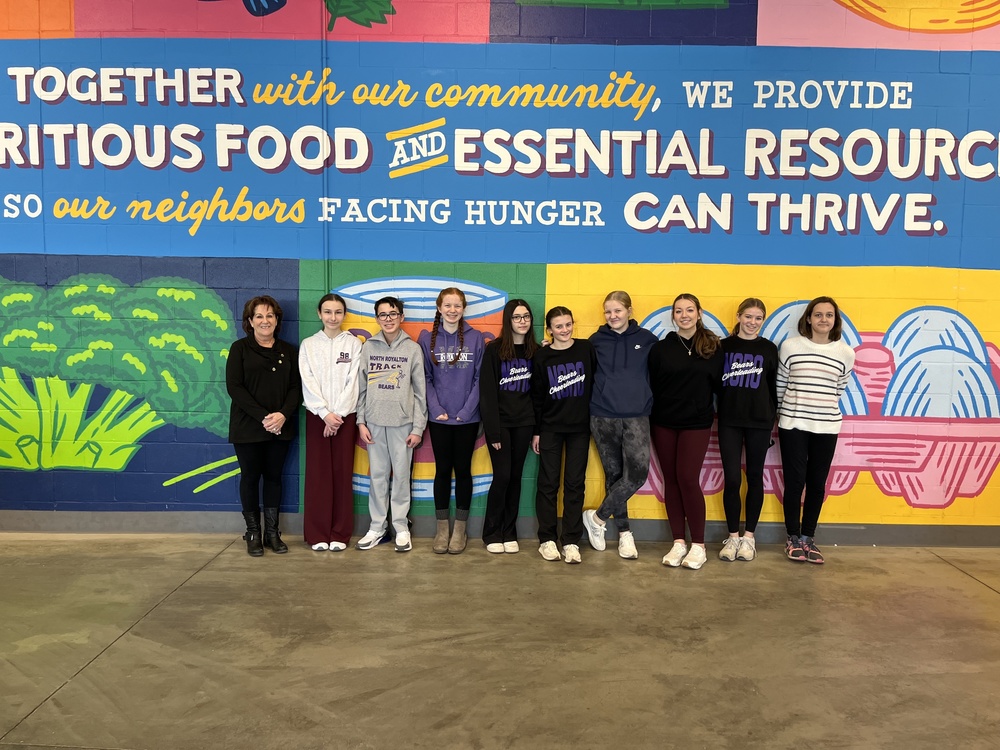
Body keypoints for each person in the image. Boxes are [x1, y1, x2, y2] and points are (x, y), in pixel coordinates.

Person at [777, 296, 856, 564]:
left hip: (827, 426)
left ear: (835, 320)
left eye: (829, 315)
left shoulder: (845, 353)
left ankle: (808, 538)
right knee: (795, 482)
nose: (824, 319)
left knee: (817, 484)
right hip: (793, 425)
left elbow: (839, 389)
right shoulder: (790, 347)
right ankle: (792, 538)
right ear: (808, 318)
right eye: (818, 314)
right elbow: (781, 385)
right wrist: (780, 415)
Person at [648, 293, 724, 571]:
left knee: (688, 478)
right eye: (679, 311)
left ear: (699, 313)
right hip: (664, 422)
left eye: (689, 310)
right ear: (673, 316)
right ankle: (679, 541)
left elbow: (720, 387)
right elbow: (653, 385)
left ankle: (699, 546)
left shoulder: (714, 347)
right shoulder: (660, 349)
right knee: (672, 480)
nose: (684, 315)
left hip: (697, 423)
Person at [581, 291, 658, 560]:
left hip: (637, 416)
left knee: (636, 475)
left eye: (618, 310)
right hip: (602, 416)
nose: (612, 316)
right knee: (614, 477)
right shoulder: (595, 341)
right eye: (608, 312)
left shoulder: (647, 340)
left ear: (629, 310)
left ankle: (597, 518)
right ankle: (625, 534)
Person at [226, 295, 301, 557]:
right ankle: (253, 533)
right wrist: (264, 417)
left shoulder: (289, 351)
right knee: (249, 478)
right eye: (259, 316)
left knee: (273, 478)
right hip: (248, 426)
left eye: (270, 315)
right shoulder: (239, 349)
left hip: (281, 426)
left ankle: (272, 533)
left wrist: (281, 415)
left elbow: (296, 388)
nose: (265, 320)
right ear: (250, 321)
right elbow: (234, 387)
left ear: (277, 320)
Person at [355, 296, 428, 553]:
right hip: (374, 424)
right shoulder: (368, 347)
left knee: (400, 478)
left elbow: (421, 393)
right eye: (383, 315)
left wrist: (418, 428)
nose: (388, 319)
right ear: (377, 319)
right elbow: (361, 388)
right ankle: (377, 527)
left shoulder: (412, 349)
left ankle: (400, 526)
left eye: (393, 314)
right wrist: (361, 421)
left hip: (402, 424)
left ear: (401, 317)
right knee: (377, 477)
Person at [418, 288, 486, 555]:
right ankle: (442, 528)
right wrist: (435, 408)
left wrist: (468, 410)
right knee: (443, 470)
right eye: (447, 305)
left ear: (463, 308)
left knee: (464, 470)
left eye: (457, 306)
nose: (452, 310)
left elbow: (481, 378)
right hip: (440, 419)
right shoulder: (426, 339)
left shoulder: (476, 338)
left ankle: (460, 529)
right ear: (439, 307)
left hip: (467, 418)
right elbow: (424, 377)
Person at [531, 306, 596, 564]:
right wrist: (536, 431)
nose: (564, 330)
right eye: (558, 326)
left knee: (574, 484)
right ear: (549, 330)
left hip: (580, 428)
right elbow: (536, 396)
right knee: (548, 484)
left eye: (568, 324)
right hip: (550, 427)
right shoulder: (542, 356)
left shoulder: (585, 349)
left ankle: (571, 541)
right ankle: (547, 539)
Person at [299, 293, 362, 552]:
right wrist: (324, 413)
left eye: (338, 312)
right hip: (317, 418)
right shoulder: (309, 345)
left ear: (344, 314)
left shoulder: (354, 344)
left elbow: (354, 382)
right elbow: (307, 380)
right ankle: (317, 533)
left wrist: (338, 415)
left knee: (342, 474)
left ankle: (339, 533)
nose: (333, 317)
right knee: (318, 475)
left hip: (345, 417)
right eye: (328, 312)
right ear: (319, 314)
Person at [717, 298, 778, 563]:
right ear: (739, 316)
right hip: (729, 420)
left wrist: (772, 418)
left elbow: (774, 387)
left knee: (754, 477)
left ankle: (749, 538)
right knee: (731, 479)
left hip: (759, 422)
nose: (752, 322)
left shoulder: (769, 349)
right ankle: (732, 537)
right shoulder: (723, 347)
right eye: (748, 317)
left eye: (758, 318)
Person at [479, 299, 538, 554]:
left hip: (525, 423)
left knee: (515, 478)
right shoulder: (494, 351)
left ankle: (509, 531)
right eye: (517, 317)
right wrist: (492, 431)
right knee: (502, 477)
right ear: (508, 320)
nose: (522, 321)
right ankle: (491, 532)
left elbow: (539, 395)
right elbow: (488, 393)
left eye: (526, 316)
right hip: (500, 425)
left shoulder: (536, 351)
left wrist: (538, 430)